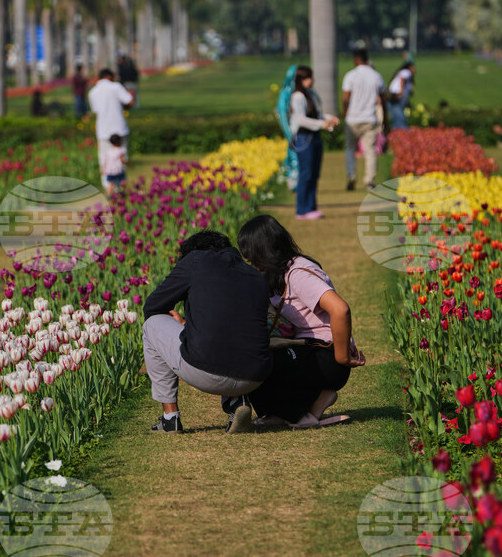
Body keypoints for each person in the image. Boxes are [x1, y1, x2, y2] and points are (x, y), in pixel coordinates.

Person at [237, 215, 365, 427]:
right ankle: (292, 410)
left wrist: (342, 357)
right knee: (251, 355)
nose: (250, 262)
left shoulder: (298, 275)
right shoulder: (278, 273)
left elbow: (340, 309)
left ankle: (302, 411)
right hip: (306, 349)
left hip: (326, 354)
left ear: (263, 252)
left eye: (251, 257)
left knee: (257, 361)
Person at [142, 230, 273, 434]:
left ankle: (170, 419)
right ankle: (237, 402)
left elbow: (152, 306)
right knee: (236, 331)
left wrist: (186, 324)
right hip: (256, 376)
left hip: (206, 371)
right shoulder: (256, 275)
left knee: (152, 324)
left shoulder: (196, 260)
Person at [287, 66, 338, 220]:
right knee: (306, 174)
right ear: (301, 79)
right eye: (308, 77)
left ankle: (311, 207)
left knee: (314, 174)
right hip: (304, 138)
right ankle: (302, 210)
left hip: (314, 137)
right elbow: (301, 119)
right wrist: (322, 124)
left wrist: (329, 119)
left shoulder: (309, 94)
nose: (311, 80)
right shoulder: (298, 96)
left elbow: (317, 114)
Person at [342, 49, 386, 191]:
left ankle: (351, 173)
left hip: (353, 118)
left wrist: (345, 115)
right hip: (370, 118)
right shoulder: (376, 76)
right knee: (370, 150)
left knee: (350, 147)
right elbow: (383, 100)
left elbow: (345, 99)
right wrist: (385, 119)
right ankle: (369, 180)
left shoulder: (350, 76)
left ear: (356, 59)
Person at [88, 68, 134, 189]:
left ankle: (108, 186)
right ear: (109, 76)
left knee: (105, 159)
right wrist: (131, 94)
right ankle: (120, 184)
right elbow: (130, 101)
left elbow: (96, 111)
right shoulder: (116, 87)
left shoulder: (93, 92)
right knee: (121, 158)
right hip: (119, 127)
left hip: (103, 129)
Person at [386, 61, 415, 130]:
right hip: (397, 96)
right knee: (399, 116)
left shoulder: (402, 72)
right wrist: (401, 92)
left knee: (396, 115)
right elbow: (402, 79)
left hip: (394, 96)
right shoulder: (406, 72)